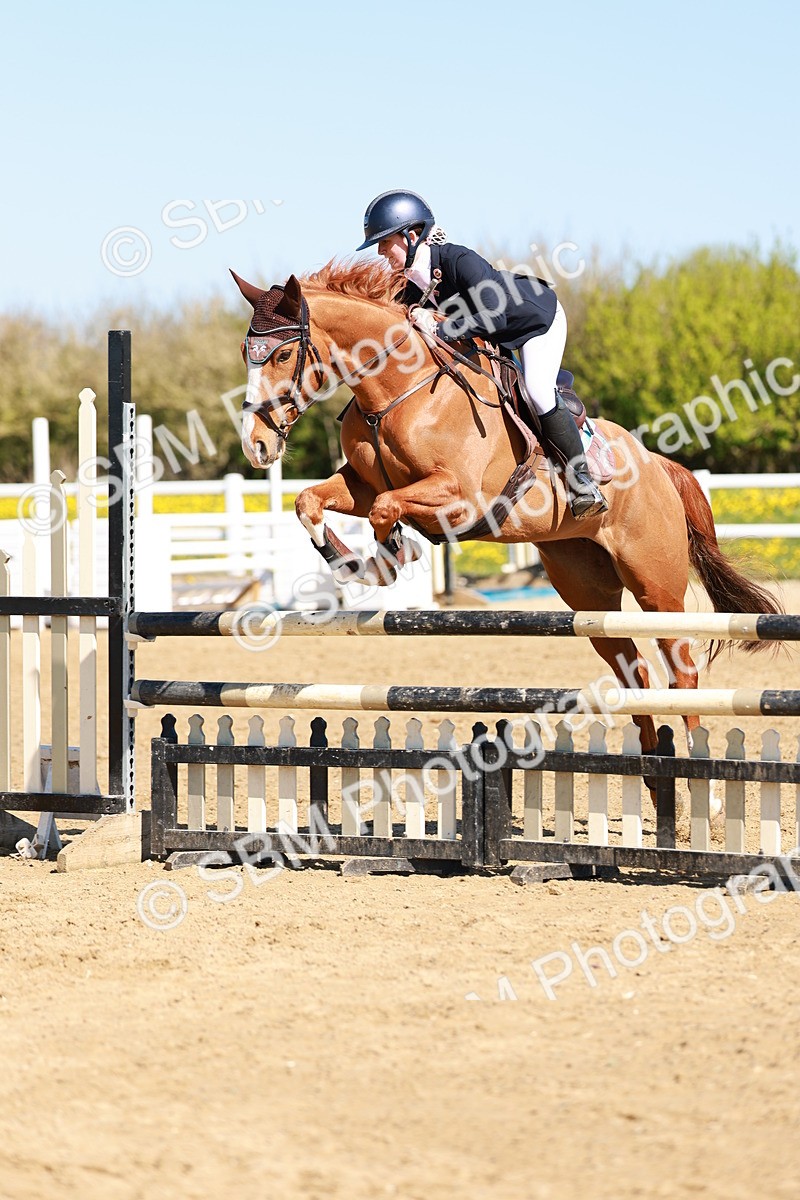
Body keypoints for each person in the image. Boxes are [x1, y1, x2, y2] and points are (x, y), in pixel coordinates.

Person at [356, 189, 607, 520]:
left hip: (535, 321)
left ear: (412, 235)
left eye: (386, 241)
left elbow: (496, 317)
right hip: (493, 337)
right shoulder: (407, 285)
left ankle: (582, 483)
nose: (380, 250)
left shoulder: (459, 260)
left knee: (537, 389)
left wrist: (442, 327)